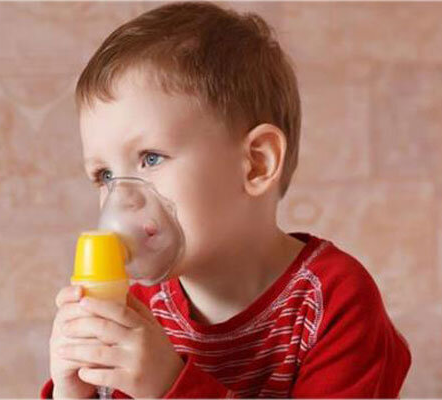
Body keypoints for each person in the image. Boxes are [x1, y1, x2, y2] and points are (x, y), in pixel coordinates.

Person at [43, 2, 411, 398]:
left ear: (255, 163)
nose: (123, 198)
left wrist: (169, 385)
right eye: (105, 175)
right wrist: (76, 393)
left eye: (150, 158)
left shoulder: (332, 301)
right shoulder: (142, 309)